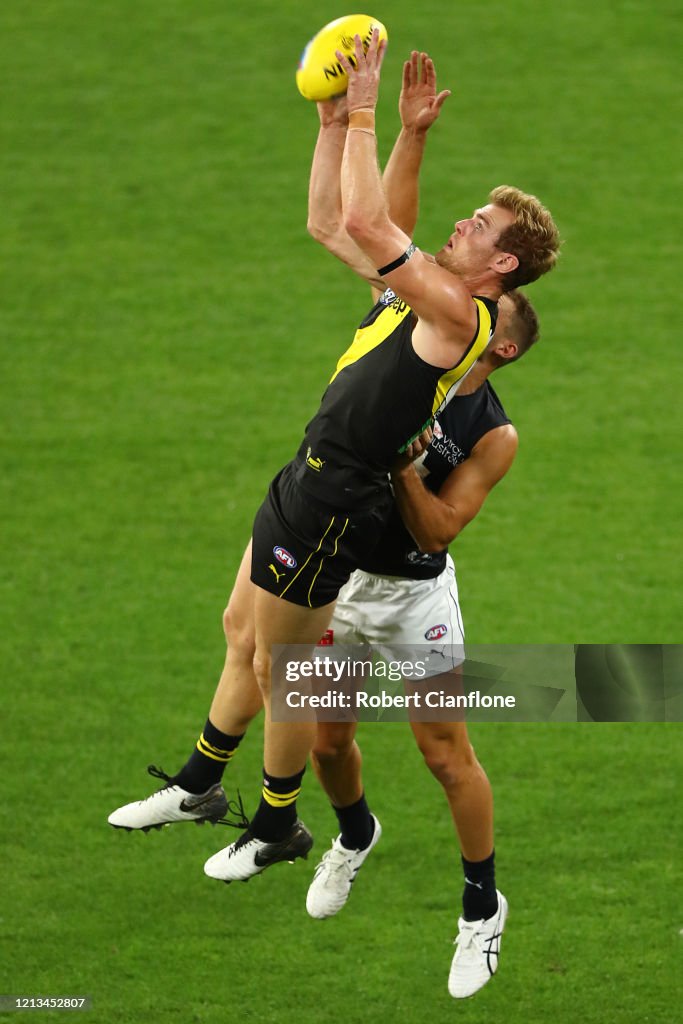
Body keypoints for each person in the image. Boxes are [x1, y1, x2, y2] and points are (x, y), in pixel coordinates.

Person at [110, 34, 560, 908]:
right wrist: (338, 126)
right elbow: (333, 222)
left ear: (501, 266)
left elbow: (369, 224)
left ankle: (278, 824)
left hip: (334, 506)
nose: (461, 222)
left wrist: (361, 111)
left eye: (480, 225)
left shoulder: (452, 314)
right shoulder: (414, 290)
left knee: (285, 674)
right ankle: (201, 782)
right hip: (305, 473)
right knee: (241, 631)